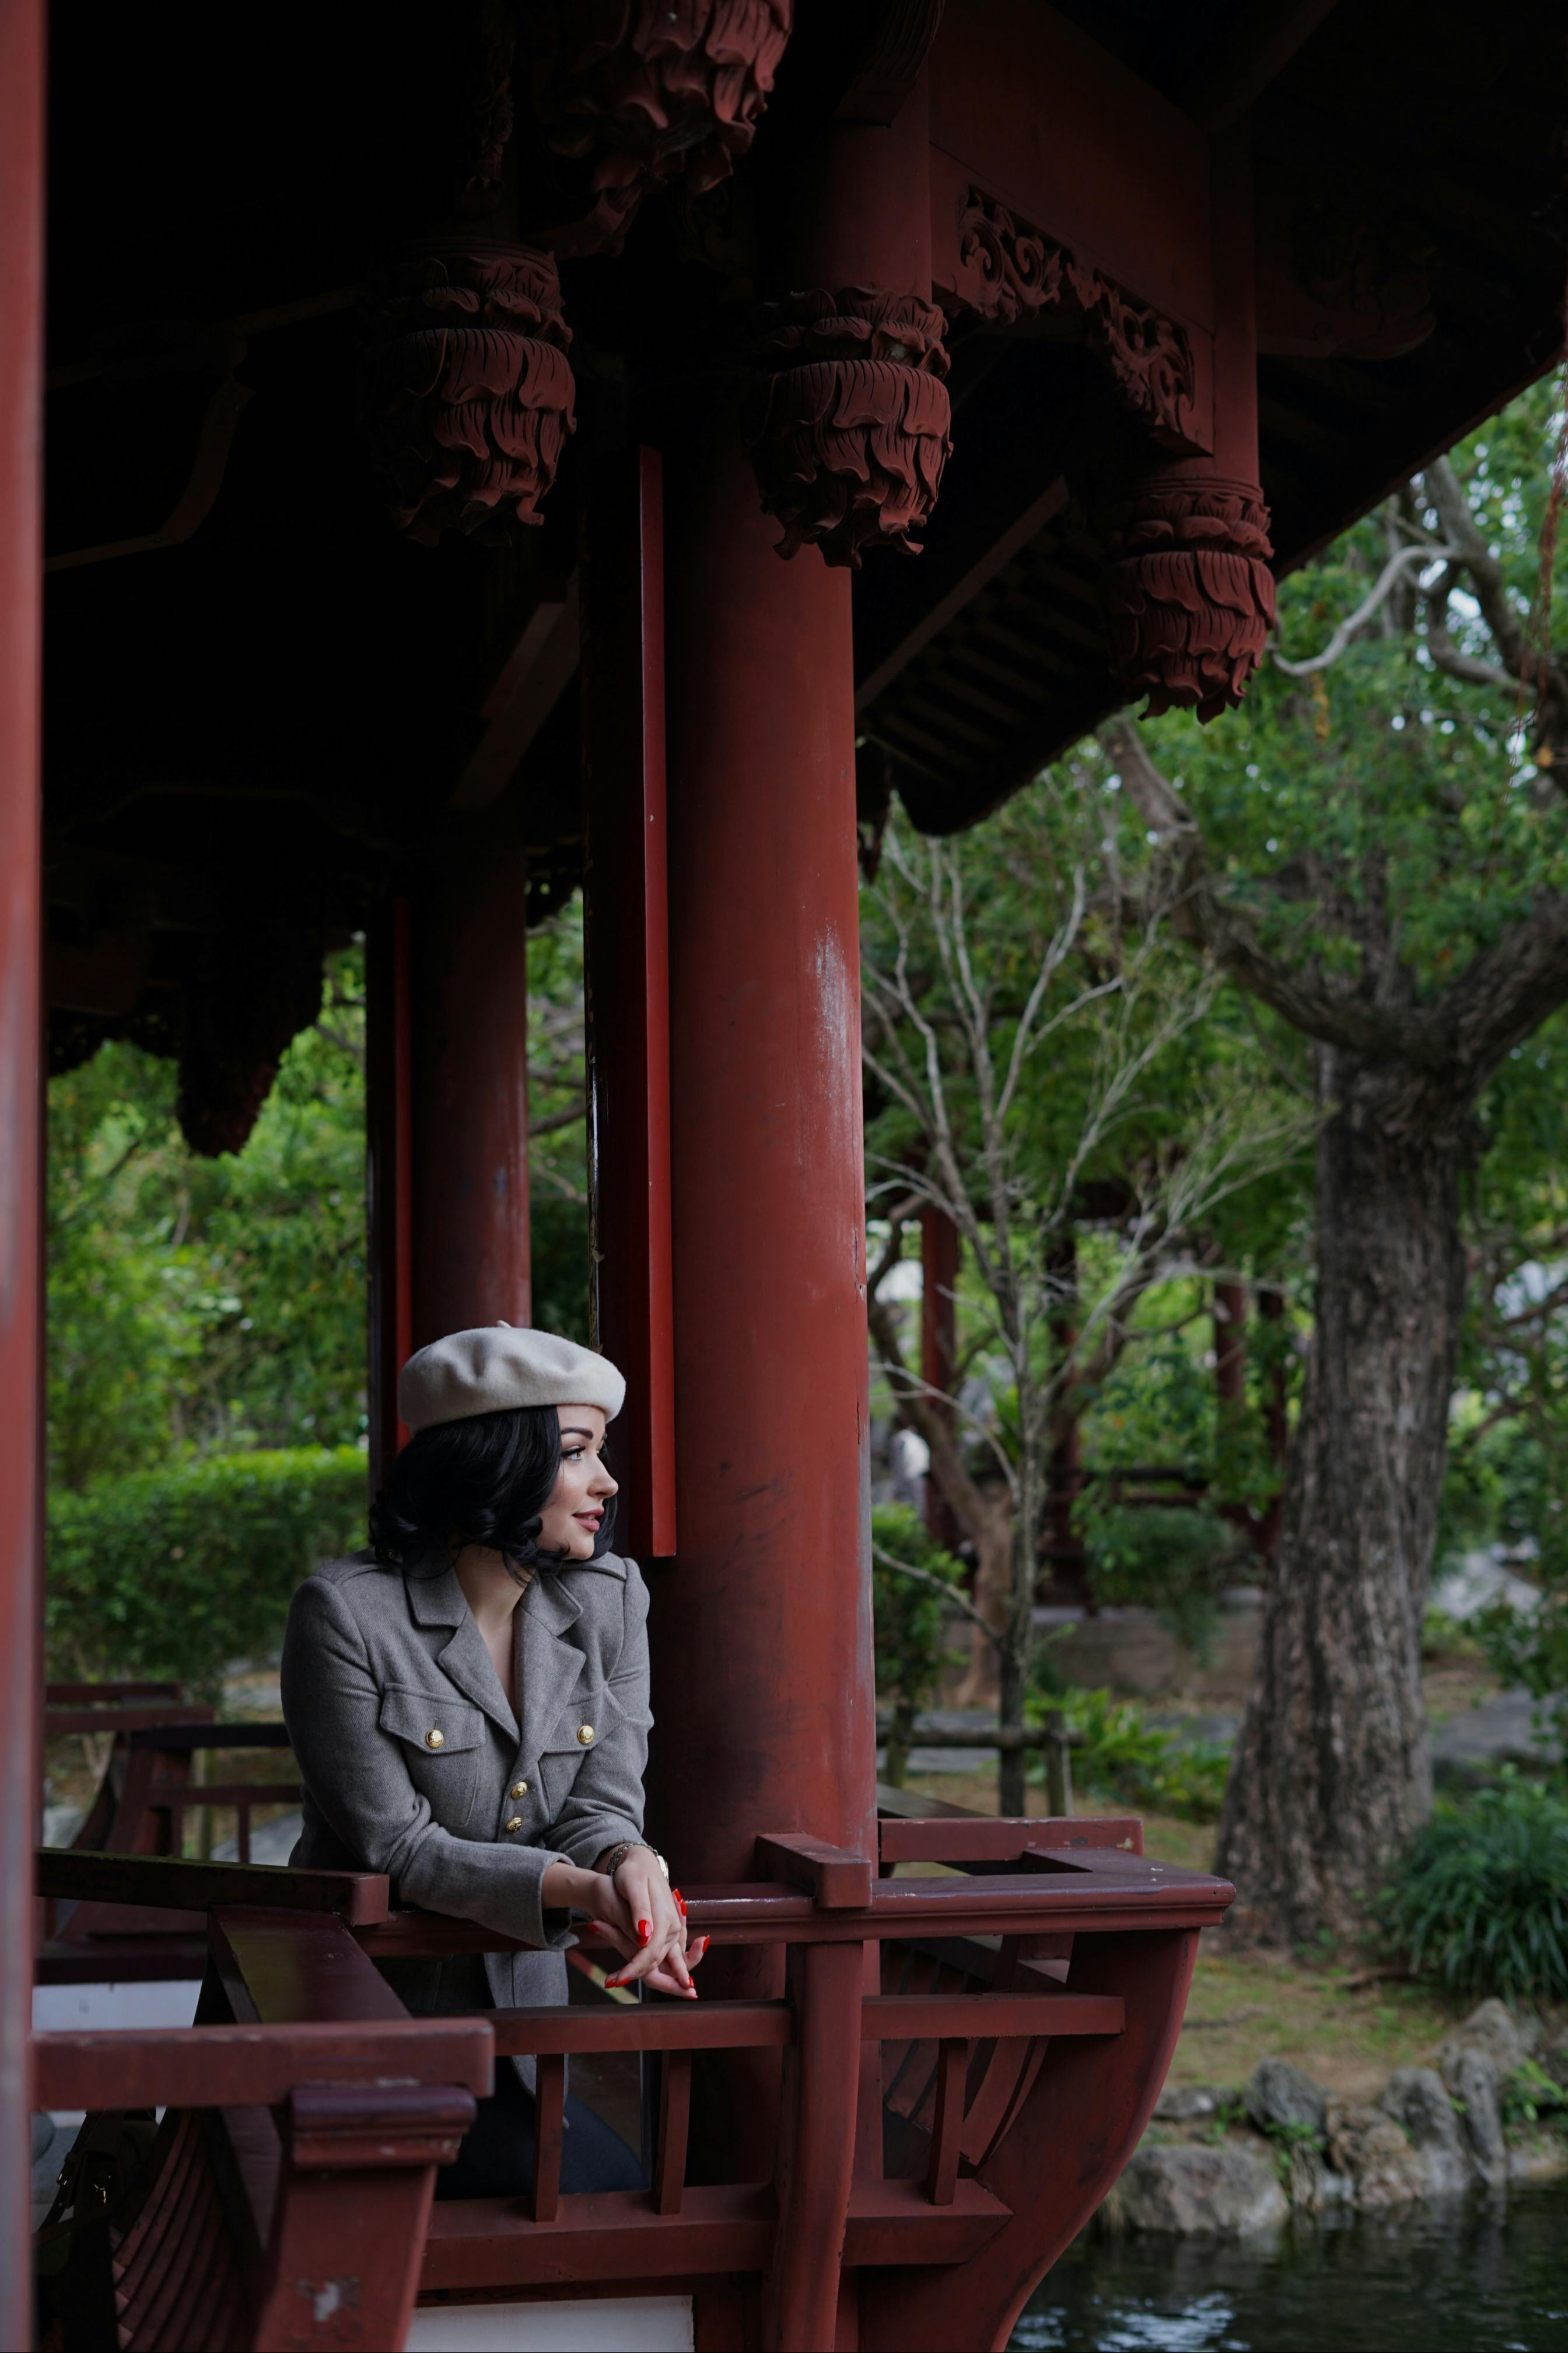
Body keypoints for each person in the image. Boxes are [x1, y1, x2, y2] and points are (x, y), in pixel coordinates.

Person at [280, 1322, 704, 2198]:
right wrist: (575, 1887)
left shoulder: (611, 1602)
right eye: (576, 1452)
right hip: (363, 2024)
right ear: (495, 1463)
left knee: (609, 2199)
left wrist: (631, 1866)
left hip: (523, 2035)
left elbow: (605, 1805)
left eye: (602, 1452)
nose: (607, 1482)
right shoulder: (347, 1615)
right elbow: (394, 1845)